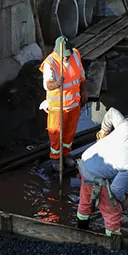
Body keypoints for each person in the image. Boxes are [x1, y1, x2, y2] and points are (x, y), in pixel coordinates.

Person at [77, 126, 128, 235]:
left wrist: (104, 129)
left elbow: (112, 112)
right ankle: (112, 242)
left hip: (85, 164)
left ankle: (81, 229)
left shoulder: (126, 128)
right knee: (113, 211)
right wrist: (123, 201)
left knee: (86, 199)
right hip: (96, 178)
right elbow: (116, 188)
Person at [39, 36, 86, 167]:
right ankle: (55, 158)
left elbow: (81, 74)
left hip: (74, 104)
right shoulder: (51, 63)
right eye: (64, 56)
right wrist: (56, 83)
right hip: (58, 107)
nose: (66, 58)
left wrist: (84, 90)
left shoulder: (75, 54)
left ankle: (66, 153)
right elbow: (47, 85)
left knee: (69, 132)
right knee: (56, 133)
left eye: (67, 55)